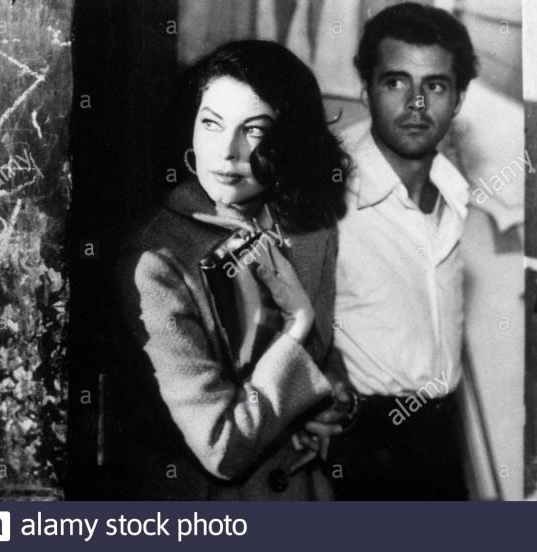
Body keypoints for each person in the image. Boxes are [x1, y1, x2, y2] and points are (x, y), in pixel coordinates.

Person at [110, 40, 353, 500]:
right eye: (211, 123)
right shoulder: (154, 263)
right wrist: (296, 325)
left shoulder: (312, 228)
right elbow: (222, 447)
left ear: (290, 138)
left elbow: (324, 358)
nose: (226, 151)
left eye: (253, 130)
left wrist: (335, 402)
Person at [326, 2, 479, 499]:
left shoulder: (456, 191)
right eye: (395, 82)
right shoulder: (324, 187)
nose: (416, 103)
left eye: (435, 86)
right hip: (357, 443)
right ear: (365, 89)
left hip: (441, 436)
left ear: (458, 99)